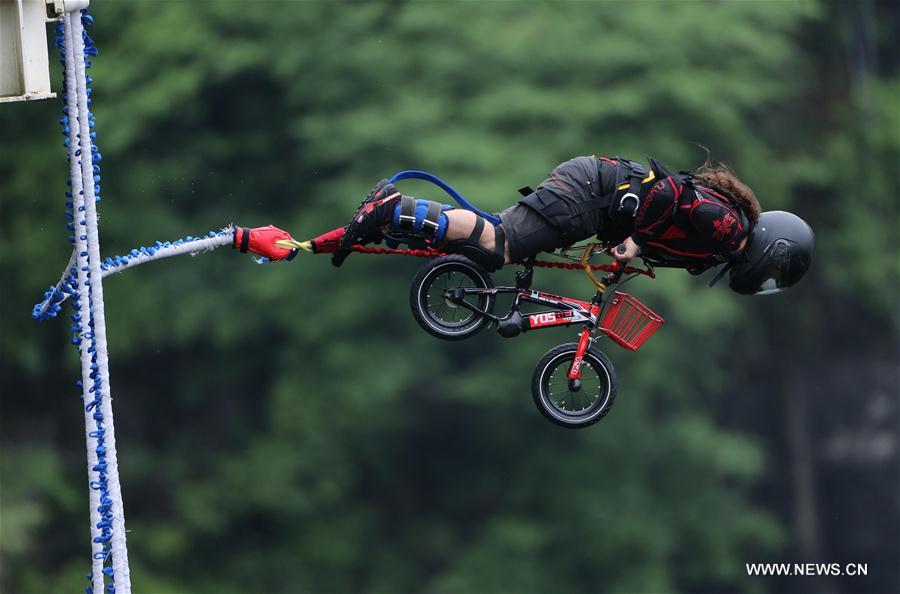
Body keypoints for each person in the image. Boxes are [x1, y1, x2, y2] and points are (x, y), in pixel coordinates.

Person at [331, 155, 814, 295]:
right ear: (775, 248)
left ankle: (394, 222)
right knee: (500, 241)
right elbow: (667, 193)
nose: (765, 282)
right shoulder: (729, 228)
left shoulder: (718, 247)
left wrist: (631, 250)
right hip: (593, 191)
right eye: (775, 274)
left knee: (491, 250)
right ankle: (393, 209)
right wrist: (637, 243)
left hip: (595, 195)